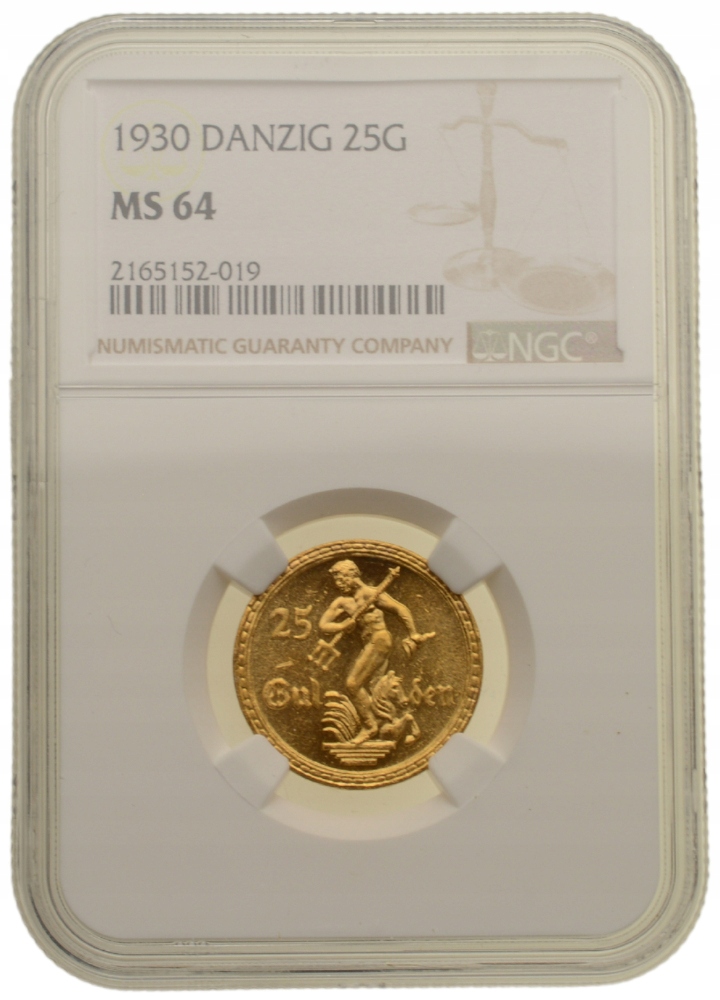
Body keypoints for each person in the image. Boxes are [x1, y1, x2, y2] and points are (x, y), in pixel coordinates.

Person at [318, 559, 432, 744]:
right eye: (336, 581)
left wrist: (413, 633)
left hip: (379, 640)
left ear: (351, 575)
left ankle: (370, 726)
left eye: (340, 579)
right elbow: (323, 625)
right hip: (369, 644)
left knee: (352, 684)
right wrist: (342, 626)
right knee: (374, 687)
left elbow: (400, 609)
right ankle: (401, 722)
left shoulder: (372, 593)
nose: (338, 585)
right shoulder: (342, 602)